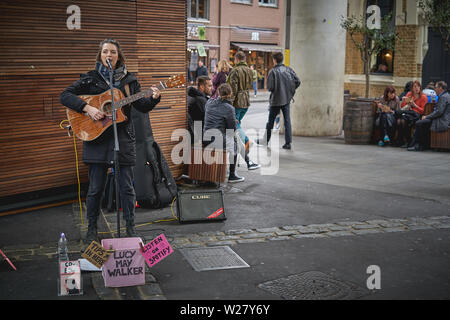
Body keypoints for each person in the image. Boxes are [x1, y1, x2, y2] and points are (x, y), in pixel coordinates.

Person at [60, 39, 161, 241]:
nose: (109, 54)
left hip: (122, 139)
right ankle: (91, 229)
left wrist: (153, 98)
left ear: (118, 56)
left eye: (113, 52)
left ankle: (130, 227)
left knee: (126, 187)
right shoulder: (90, 78)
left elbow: (141, 106)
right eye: (105, 51)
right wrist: (87, 108)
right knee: (95, 188)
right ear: (100, 55)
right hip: (95, 138)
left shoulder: (130, 81)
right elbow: (65, 96)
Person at [257, 51, 300, 150]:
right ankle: (288, 143)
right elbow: (298, 81)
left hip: (276, 100)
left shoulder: (273, 71)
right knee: (287, 121)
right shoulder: (288, 69)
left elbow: (270, 87)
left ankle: (265, 140)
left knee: (270, 121)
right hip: (286, 99)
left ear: (274, 60)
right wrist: (290, 91)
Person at [203, 83, 244, 183]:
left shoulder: (209, 102)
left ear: (218, 93)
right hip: (217, 139)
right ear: (230, 94)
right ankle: (232, 175)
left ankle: (225, 171)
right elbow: (231, 129)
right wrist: (234, 122)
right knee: (234, 145)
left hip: (206, 136)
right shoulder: (229, 108)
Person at [226, 51, 260, 170]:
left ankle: (245, 141)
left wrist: (230, 102)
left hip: (237, 102)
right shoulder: (250, 71)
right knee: (237, 122)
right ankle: (243, 144)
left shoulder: (235, 71)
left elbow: (233, 88)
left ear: (236, 59)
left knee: (236, 124)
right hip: (246, 101)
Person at [408, 81, 450, 151]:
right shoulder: (446, 95)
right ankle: (422, 144)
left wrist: (427, 116)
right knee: (423, 123)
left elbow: (439, 112)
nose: (434, 89)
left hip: (442, 121)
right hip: (443, 119)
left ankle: (418, 145)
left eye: (435, 87)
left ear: (440, 88)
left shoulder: (443, 97)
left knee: (420, 123)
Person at [395, 80, 427, 147]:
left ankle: (407, 141)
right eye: (415, 86)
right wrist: (404, 101)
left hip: (416, 115)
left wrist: (415, 105)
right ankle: (401, 141)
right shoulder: (409, 94)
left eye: (418, 86)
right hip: (408, 113)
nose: (417, 88)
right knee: (399, 121)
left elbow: (423, 111)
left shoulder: (423, 97)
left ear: (420, 87)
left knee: (403, 120)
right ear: (412, 88)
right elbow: (403, 106)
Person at [187, 75, 212, 142]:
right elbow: (207, 119)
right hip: (200, 135)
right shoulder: (200, 100)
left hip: (195, 132)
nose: (212, 88)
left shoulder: (193, 96)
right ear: (201, 86)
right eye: (209, 86)